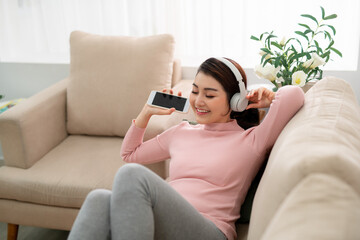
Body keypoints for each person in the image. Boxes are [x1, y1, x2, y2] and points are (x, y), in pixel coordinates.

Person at [68, 57, 304, 240]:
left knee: (132, 177)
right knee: (99, 198)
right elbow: (130, 155)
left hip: (210, 230)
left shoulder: (252, 140)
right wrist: (145, 114)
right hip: (169, 223)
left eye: (209, 95)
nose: (198, 101)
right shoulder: (181, 132)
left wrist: (268, 99)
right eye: (195, 91)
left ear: (236, 101)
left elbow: (294, 95)